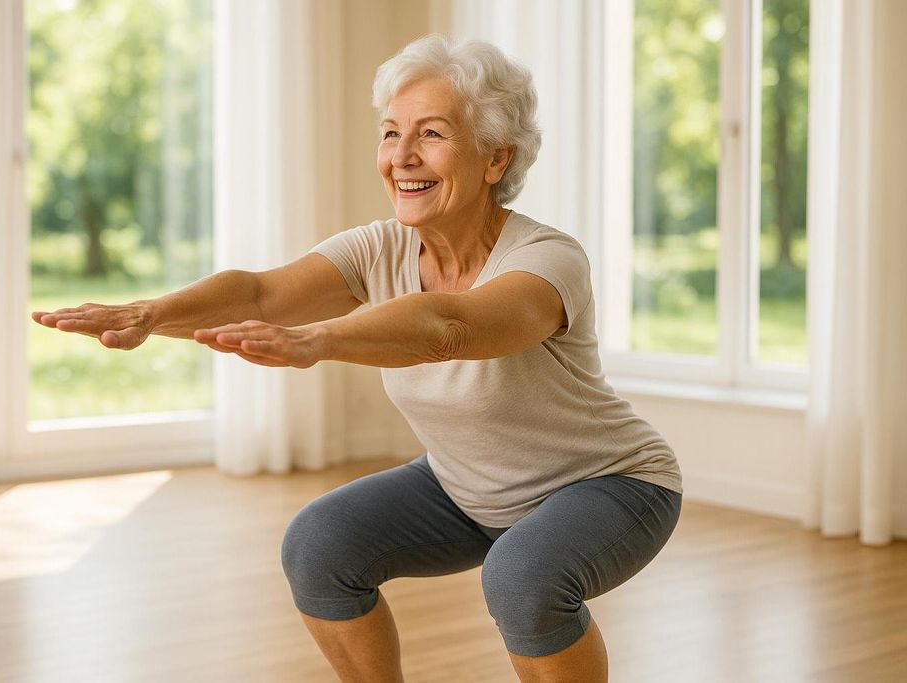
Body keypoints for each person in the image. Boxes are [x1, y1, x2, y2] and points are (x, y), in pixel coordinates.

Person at [33, 34, 682, 683]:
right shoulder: (380, 249)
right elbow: (260, 292)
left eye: (430, 134)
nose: (402, 156)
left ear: (495, 157)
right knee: (319, 546)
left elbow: (449, 328)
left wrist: (321, 340)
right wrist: (151, 314)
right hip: (468, 489)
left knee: (523, 575)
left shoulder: (547, 259)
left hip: (612, 484)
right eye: (390, 133)